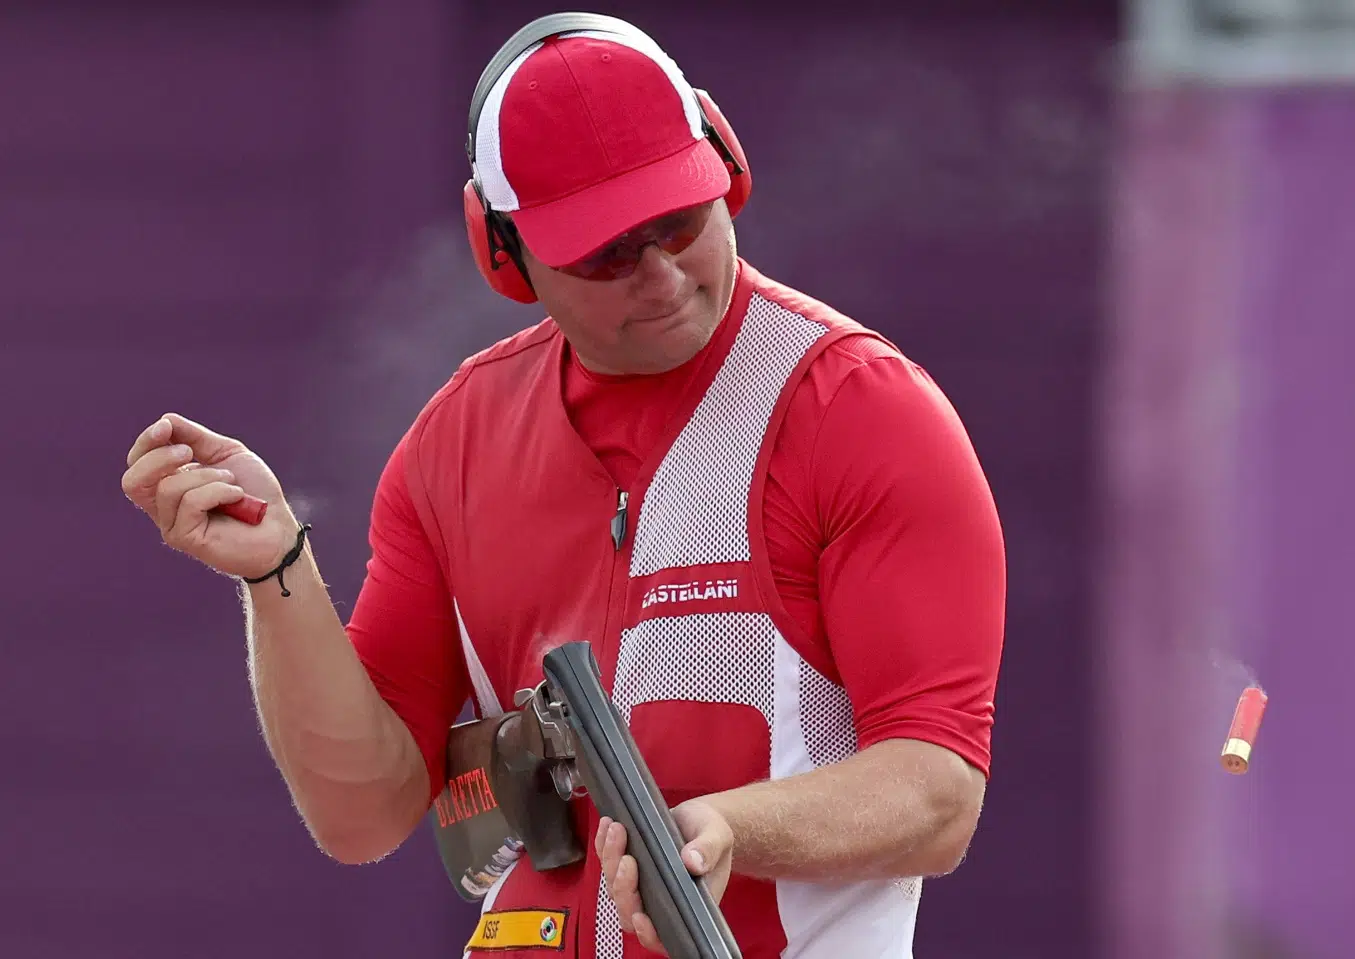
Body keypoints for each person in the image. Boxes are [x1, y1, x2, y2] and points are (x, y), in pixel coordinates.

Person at [120, 12, 1006, 959]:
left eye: (681, 220)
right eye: (609, 252)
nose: (662, 276)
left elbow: (936, 789)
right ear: (504, 254)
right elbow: (362, 813)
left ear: (727, 166)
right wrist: (278, 571)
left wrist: (729, 827)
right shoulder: (453, 443)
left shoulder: (862, 412)